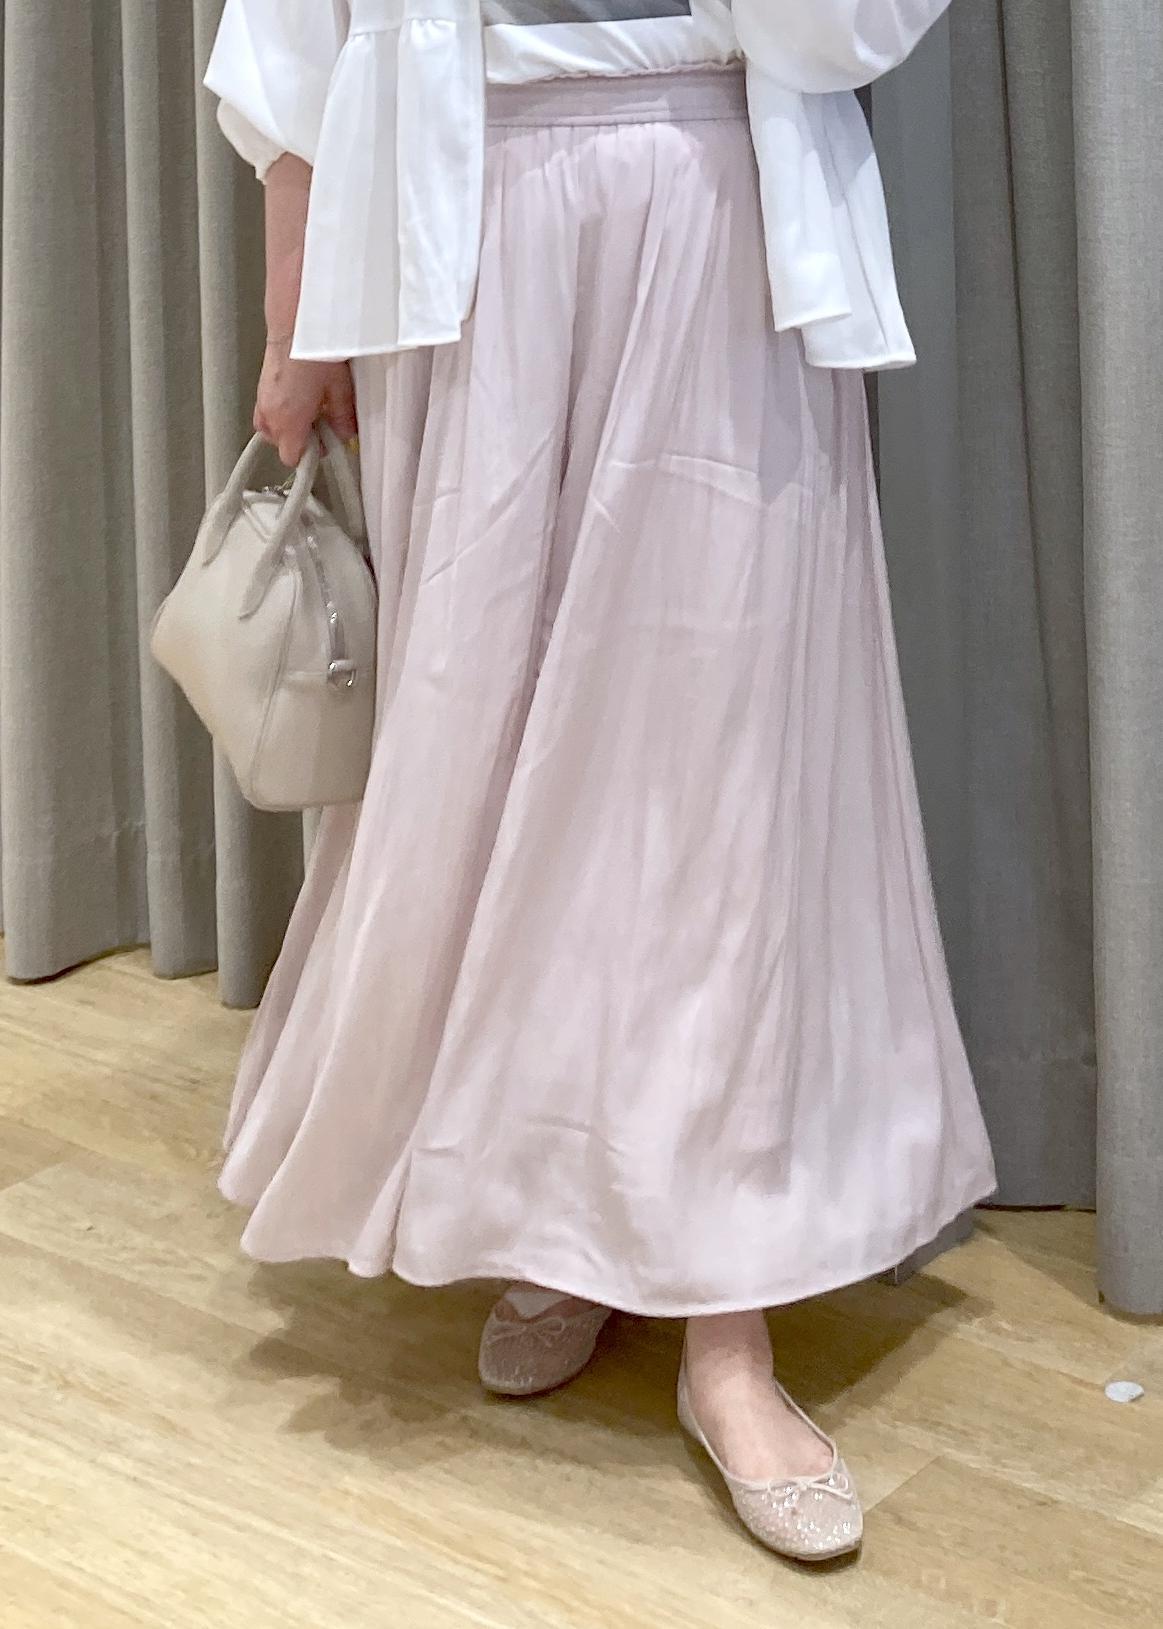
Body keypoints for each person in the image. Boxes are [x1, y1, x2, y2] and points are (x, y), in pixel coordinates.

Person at [205, 0, 996, 1563]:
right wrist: (296, 314)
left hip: (712, 197)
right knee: (500, 769)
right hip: (470, 224)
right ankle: (556, 1218)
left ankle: (726, 1325)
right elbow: (296, 29)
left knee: (716, 778)